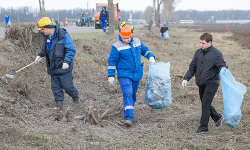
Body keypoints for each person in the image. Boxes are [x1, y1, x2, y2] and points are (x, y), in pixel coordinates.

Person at [107, 22, 155, 127]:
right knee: (127, 93)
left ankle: (128, 111)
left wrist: (150, 56)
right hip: (124, 73)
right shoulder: (116, 46)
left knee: (133, 95)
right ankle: (128, 118)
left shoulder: (137, 42)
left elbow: (145, 50)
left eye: (127, 38)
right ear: (120, 35)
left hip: (136, 74)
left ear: (131, 34)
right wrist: (111, 75)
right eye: (123, 38)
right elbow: (112, 61)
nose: (126, 40)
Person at [35, 17, 79, 120]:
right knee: (55, 88)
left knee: (67, 86)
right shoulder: (46, 36)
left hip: (64, 68)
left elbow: (71, 49)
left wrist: (67, 62)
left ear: (48, 27)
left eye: (42, 29)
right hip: (53, 68)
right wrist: (39, 55)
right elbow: (45, 48)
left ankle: (76, 99)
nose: (42, 31)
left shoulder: (62, 35)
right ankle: (59, 106)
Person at [182, 33, 227, 134]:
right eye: (200, 43)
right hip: (201, 83)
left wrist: (223, 69)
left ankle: (203, 128)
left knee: (205, 105)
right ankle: (218, 117)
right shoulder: (198, 52)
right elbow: (192, 67)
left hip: (212, 82)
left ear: (209, 42)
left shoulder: (216, 54)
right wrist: (186, 78)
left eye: (203, 43)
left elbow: (221, 64)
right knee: (205, 103)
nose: (201, 45)